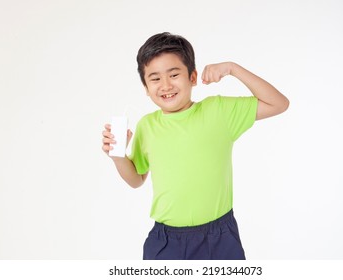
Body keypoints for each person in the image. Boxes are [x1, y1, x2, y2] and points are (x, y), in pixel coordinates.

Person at [102, 32, 289, 260]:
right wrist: (118, 156)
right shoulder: (147, 126)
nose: (165, 85)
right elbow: (136, 179)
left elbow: (278, 103)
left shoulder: (219, 111)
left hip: (220, 237)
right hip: (166, 241)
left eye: (173, 74)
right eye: (155, 78)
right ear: (145, 87)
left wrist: (233, 68)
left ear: (192, 77)